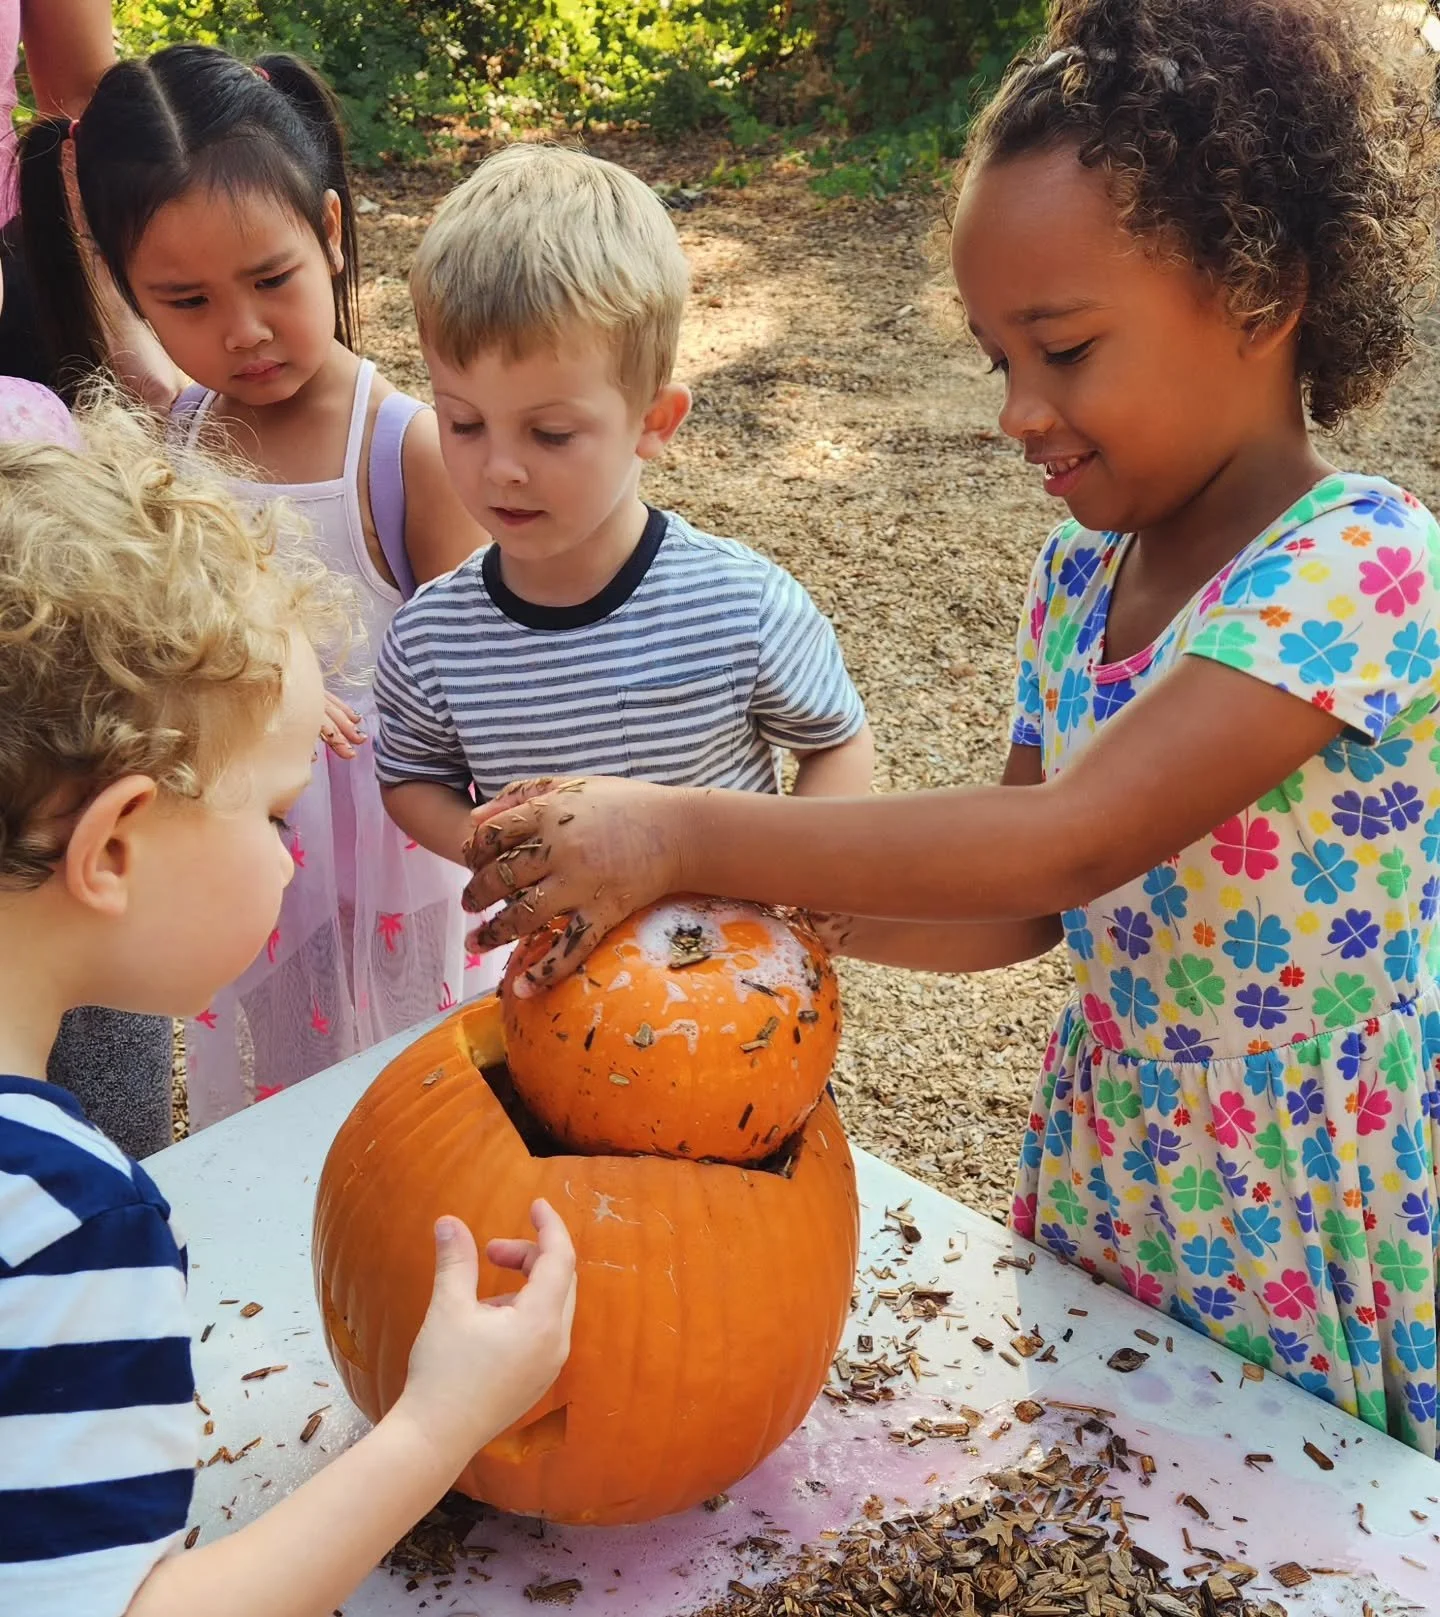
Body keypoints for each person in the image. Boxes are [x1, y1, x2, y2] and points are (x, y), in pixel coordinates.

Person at [458, 0, 1440, 1452]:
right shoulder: (1078, 574)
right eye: (996, 358)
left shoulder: (1363, 564)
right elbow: (1021, 915)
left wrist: (677, 825)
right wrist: (750, 896)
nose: (1016, 411)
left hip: (1310, 1198)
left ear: (1259, 290)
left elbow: (1064, 840)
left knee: (1308, 1532)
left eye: (1062, 347)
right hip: (1119, 1159)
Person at [0, 404, 576, 1617]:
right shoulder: (59, 1225)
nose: (291, 861)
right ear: (113, 848)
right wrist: (440, 1423)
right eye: (273, 815)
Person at [19, 44, 494, 1127]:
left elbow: (480, 671)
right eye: (183, 300)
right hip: (244, 868)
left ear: (328, 234)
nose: (241, 331)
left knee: (427, 1105)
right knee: (274, 1106)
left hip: (398, 860)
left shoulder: (403, 450)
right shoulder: (169, 451)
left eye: (272, 280)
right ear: (128, 293)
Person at [373, 143, 873, 882]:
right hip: (556, 985)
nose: (500, 467)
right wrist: (489, 843)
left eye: (550, 433)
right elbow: (412, 777)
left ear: (654, 422)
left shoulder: (743, 607)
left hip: (736, 979)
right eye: (464, 422)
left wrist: (802, 876)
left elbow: (834, 741)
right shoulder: (431, 641)